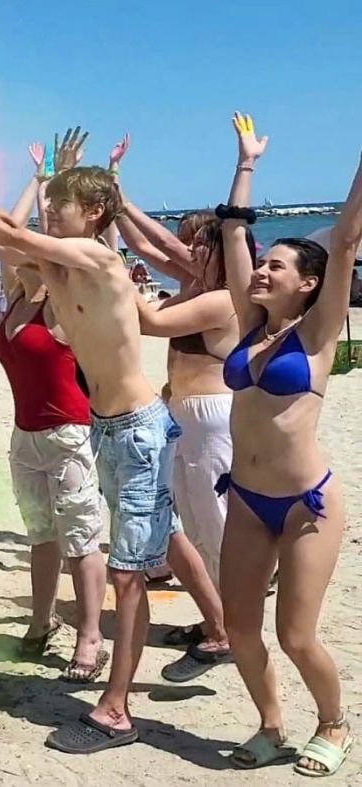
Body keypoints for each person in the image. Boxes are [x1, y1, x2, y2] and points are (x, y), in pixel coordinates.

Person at [0, 153, 198, 754]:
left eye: (60, 205)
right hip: (105, 428)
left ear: (96, 212)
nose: (49, 212)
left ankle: (116, 709)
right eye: (48, 204)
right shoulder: (56, 267)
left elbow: (9, 230)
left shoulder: (99, 259)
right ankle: (211, 630)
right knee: (131, 555)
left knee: (127, 572)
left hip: (134, 427)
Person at [216, 114, 362, 776]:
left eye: (276, 265)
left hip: (308, 504)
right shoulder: (252, 323)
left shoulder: (318, 332)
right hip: (248, 500)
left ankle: (334, 723)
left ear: (307, 282)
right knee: (240, 628)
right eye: (263, 261)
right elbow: (232, 231)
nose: (262, 270)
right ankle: (272, 726)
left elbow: (348, 236)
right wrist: (246, 163)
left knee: (296, 635)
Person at [118, 185, 242, 681]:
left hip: (212, 417)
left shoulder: (223, 299)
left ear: (217, 249)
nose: (186, 248)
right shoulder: (195, 287)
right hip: (187, 414)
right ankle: (218, 619)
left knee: (215, 524)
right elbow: (147, 245)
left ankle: (229, 631)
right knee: (194, 524)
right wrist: (119, 205)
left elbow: (150, 321)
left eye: (196, 243)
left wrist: (110, 272)